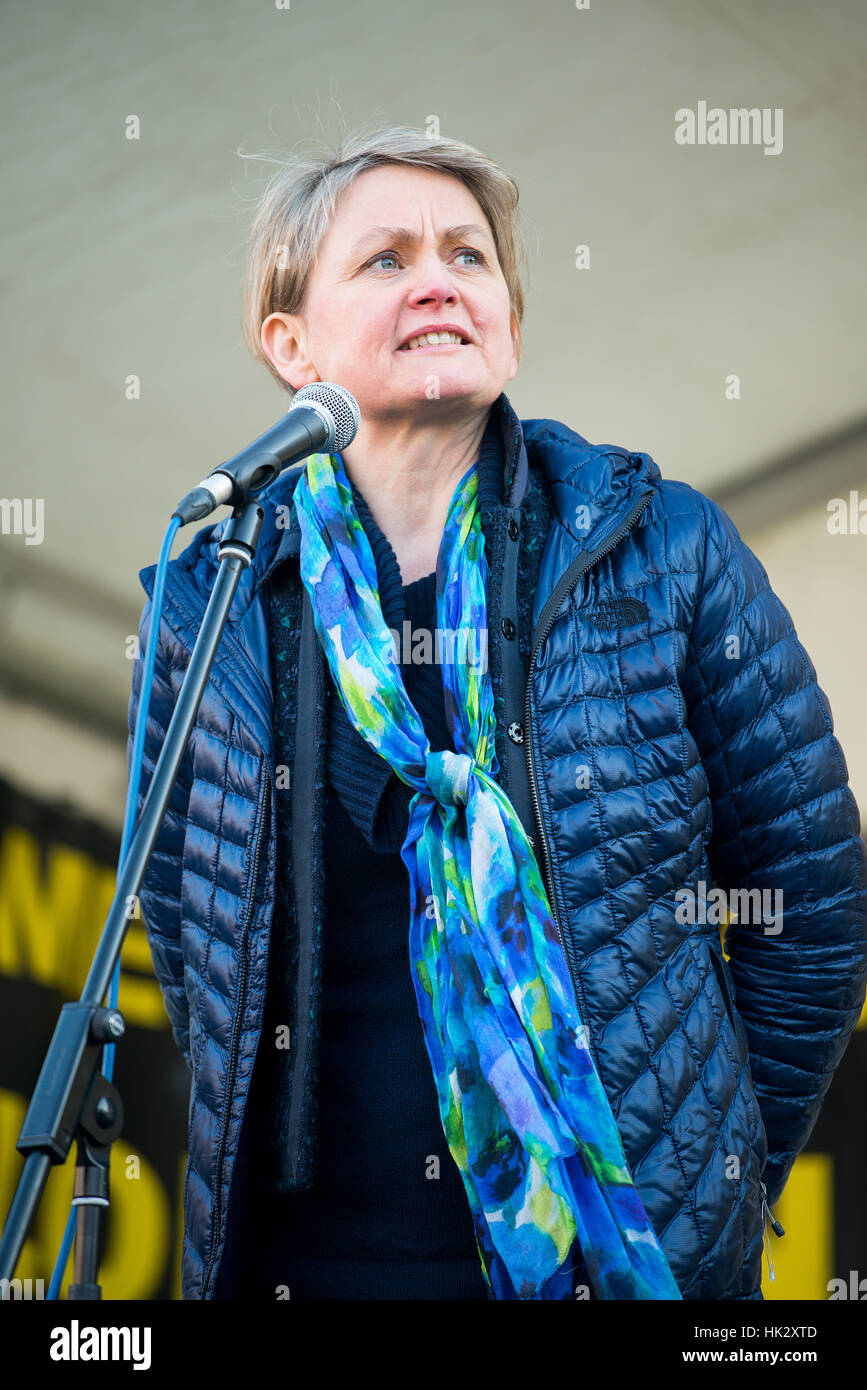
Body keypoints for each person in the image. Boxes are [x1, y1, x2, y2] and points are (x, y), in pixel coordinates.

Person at [128, 123, 867, 1302]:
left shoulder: (658, 550)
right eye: (386, 259)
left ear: (511, 324)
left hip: (602, 1273)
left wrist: (701, 1181)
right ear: (290, 344)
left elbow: (813, 910)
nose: (438, 279)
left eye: (468, 257)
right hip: (301, 1272)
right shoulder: (213, 604)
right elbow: (190, 926)